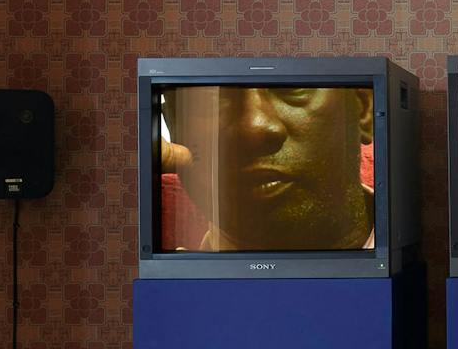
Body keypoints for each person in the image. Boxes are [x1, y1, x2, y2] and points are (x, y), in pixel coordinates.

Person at [160, 84, 374, 250]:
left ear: (364, 109)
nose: (254, 127)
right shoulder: (165, 299)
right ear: (172, 125)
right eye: (208, 97)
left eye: (291, 86)